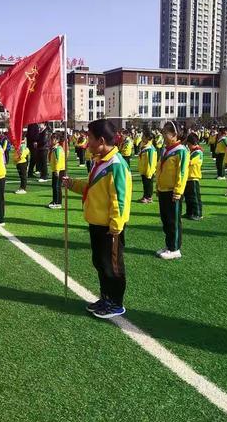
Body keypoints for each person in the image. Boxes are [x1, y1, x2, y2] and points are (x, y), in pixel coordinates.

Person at [63, 119, 132, 319]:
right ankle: (106, 297)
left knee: (113, 266)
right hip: (97, 223)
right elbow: (92, 188)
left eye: (90, 138)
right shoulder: (101, 162)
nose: (87, 142)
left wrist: (116, 225)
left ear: (101, 140)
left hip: (110, 227)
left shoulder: (116, 165)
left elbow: (120, 199)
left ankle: (116, 303)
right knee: (100, 263)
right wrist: (73, 184)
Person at [155, 121, 189, 260]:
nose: (163, 135)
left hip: (173, 191)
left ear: (175, 135)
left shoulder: (181, 150)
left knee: (173, 221)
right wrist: (158, 186)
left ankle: (175, 248)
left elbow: (182, 173)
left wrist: (178, 191)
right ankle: (169, 246)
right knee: (166, 220)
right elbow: (160, 170)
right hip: (163, 190)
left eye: (166, 133)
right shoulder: (166, 149)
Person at [184, 133, 203, 220]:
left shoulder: (198, 152)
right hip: (188, 177)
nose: (188, 146)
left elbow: (190, 162)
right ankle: (189, 212)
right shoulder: (191, 152)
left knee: (195, 197)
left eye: (189, 145)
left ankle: (198, 213)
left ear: (194, 143)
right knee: (188, 197)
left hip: (193, 177)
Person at [137, 130, 157, 204]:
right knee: (145, 184)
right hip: (143, 170)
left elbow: (150, 162)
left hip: (148, 171)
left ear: (147, 138)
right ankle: (145, 196)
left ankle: (149, 197)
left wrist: (149, 172)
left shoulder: (150, 149)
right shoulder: (145, 147)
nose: (142, 138)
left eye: (143, 136)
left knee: (149, 184)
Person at [48, 133, 66, 209]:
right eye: (51, 139)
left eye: (53, 139)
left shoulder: (58, 149)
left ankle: (58, 202)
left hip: (59, 170)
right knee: (54, 186)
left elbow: (58, 160)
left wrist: (57, 170)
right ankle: (55, 200)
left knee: (57, 186)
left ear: (57, 140)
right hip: (56, 169)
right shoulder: (55, 148)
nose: (51, 140)